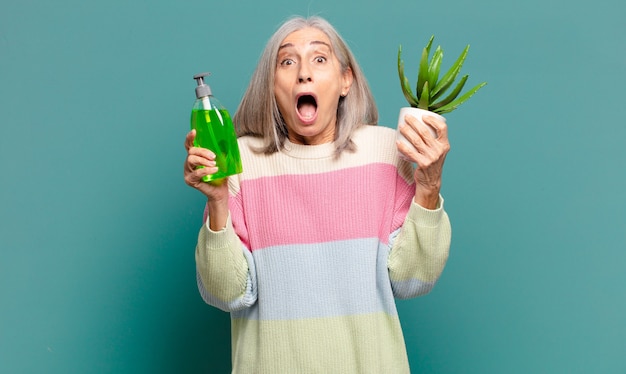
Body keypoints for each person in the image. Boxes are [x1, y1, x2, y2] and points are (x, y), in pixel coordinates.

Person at [183, 15, 451, 373]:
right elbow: (226, 293)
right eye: (288, 61)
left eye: (320, 59)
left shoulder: (386, 151)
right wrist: (217, 201)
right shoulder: (239, 161)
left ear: (345, 81)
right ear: (272, 84)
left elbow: (412, 279)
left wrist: (429, 188)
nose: (303, 73)